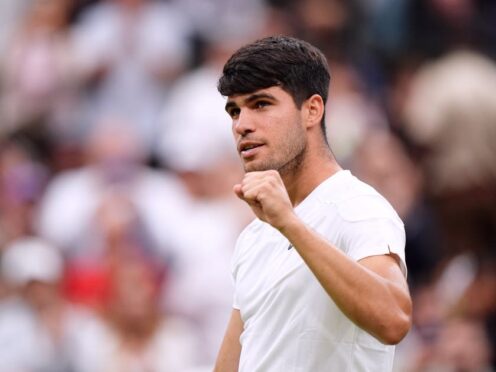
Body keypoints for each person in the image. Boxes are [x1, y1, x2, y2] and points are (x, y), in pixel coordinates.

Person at [213, 36, 412, 372]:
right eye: (234, 110)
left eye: (261, 104)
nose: (241, 124)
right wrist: (284, 222)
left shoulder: (359, 207)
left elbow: (393, 319)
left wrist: (290, 225)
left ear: (312, 109)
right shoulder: (256, 235)